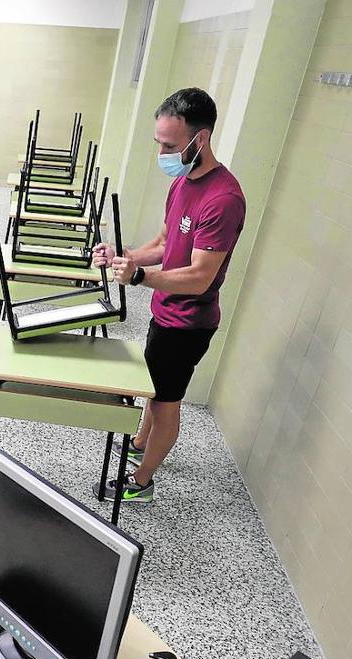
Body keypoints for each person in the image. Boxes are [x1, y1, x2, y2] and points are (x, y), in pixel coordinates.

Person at [92, 87, 246, 503]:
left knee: (165, 402)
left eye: (169, 145)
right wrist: (122, 255)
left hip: (189, 324)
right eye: (158, 142)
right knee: (153, 386)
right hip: (165, 312)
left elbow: (199, 277)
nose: (162, 151)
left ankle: (142, 481)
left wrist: (140, 277)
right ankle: (140, 442)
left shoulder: (223, 199)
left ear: (201, 139)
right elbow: (164, 242)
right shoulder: (183, 182)